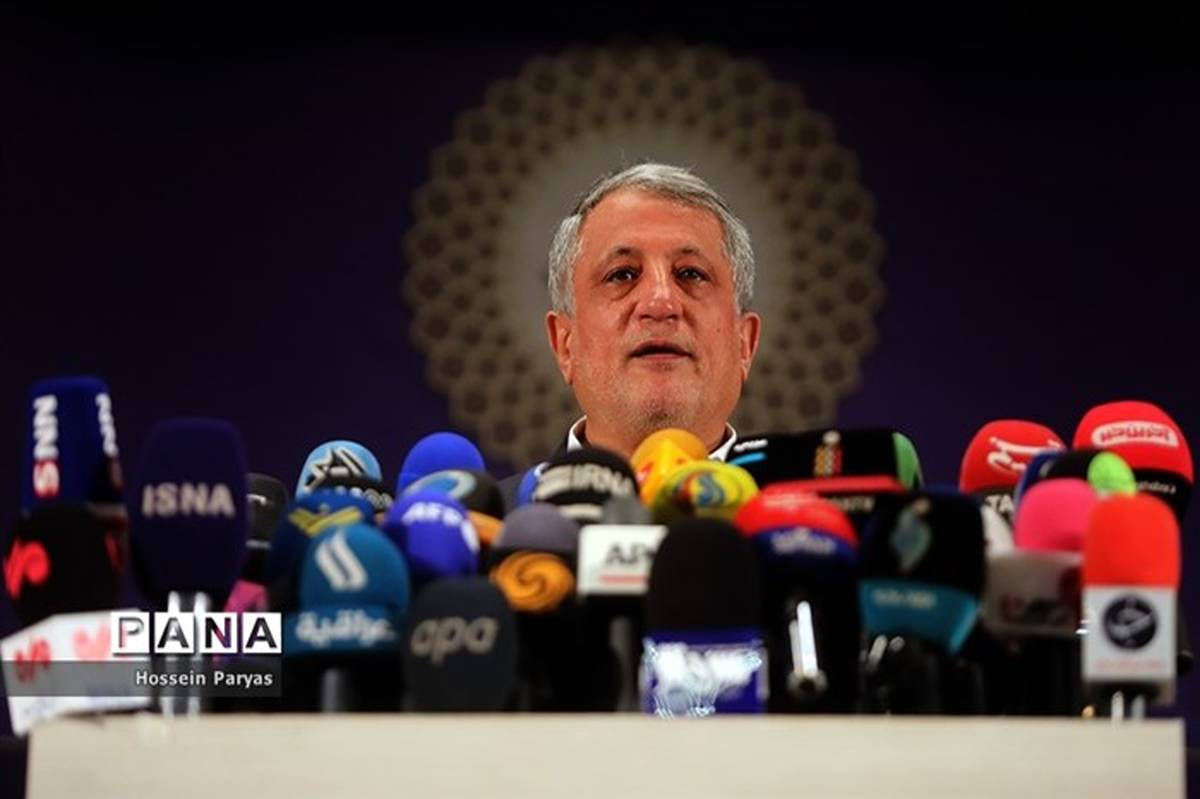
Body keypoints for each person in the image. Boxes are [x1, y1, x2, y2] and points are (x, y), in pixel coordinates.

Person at [501, 162, 762, 507]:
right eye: (622, 274)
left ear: (744, 343)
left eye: (690, 273)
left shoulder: (813, 529)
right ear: (565, 344)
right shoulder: (485, 528)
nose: (661, 303)